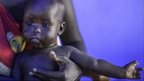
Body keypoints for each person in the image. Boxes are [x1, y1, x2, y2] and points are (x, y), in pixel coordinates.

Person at [0, 0, 142, 81]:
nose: (36, 29)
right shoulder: (22, 59)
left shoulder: (66, 52)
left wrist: (122, 72)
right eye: (30, 23)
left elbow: (95, 63)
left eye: (45, 25)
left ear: (60, 28)